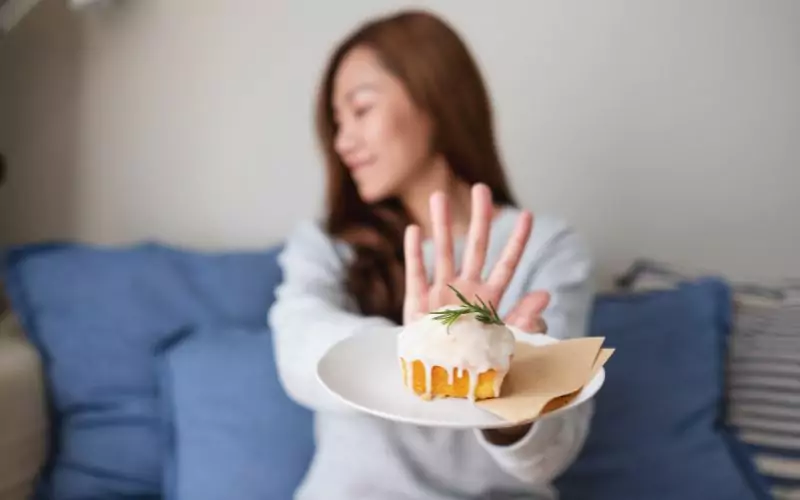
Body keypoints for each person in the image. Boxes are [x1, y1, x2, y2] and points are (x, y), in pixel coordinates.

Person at [268, 9, 595, 500]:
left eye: (360, 110)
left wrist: (511, 383)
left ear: (433, 99)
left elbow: (550, 453)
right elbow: (297, 355)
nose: (341, 141)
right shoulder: (327, 244)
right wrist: (426, 344)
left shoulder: (547, 247)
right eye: (336, 122)